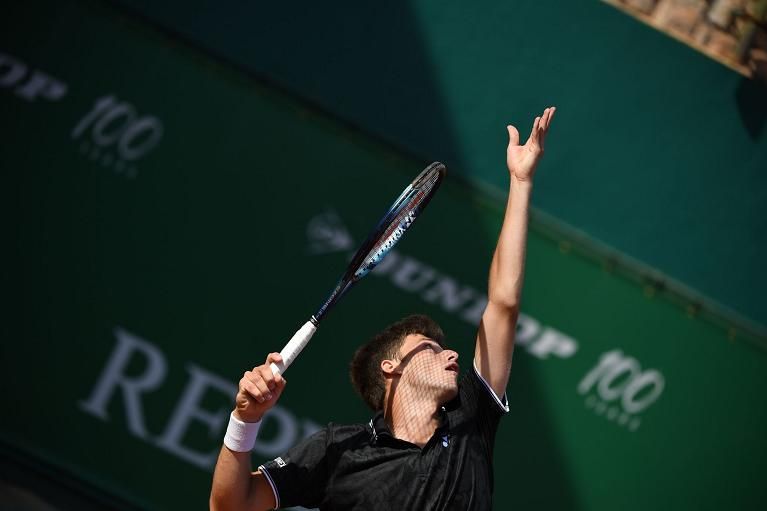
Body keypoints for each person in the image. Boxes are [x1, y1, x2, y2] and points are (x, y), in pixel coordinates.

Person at [210, 107, 556, 511]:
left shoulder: (470, 421)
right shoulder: (339, 450)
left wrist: (520, 182)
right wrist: (245, 421)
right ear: (391, 367)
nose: (453, 354)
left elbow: (504, 304)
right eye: (431, 346)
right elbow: (230, 506)